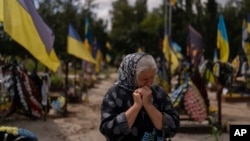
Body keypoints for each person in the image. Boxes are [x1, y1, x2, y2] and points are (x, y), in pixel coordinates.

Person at [99, 52, 180, 141]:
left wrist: (148, 106)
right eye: (144, 79)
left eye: (152, 77)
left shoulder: (158, 93)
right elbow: (108, 131)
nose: (149, 83)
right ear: (131, 76)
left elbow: (173, 128)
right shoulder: (114, 94)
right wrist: (136, 106)